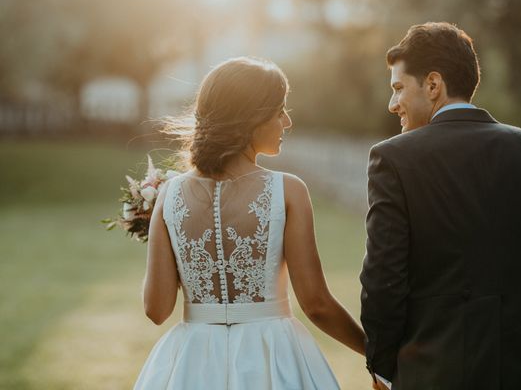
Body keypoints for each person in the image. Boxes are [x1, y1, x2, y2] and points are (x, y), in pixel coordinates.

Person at [360, 22, 521, 390]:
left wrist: (385, 370)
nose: (393, 104)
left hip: (438, 375)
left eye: (398, 88)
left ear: (434, 84)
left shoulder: (392, 160)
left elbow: (383, 280)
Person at [135, 57, 365, 389]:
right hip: (271, 358)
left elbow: (156, 309)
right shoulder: (288, 190)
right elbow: (316, 304)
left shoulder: (168, 195)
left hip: (192, 364)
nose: (287, 122)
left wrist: (165, 233)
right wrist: (374, 353)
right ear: (251, 118)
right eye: (279, 111)